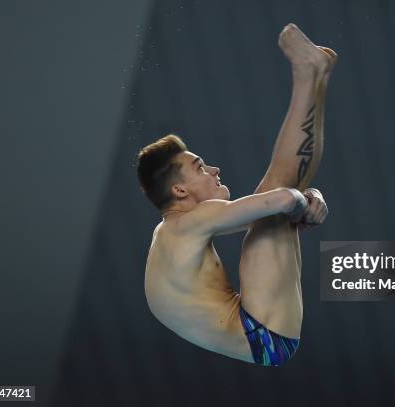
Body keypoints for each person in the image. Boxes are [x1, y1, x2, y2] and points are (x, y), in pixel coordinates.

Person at [137, 23, 337, 366]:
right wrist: (302, 202)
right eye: (200, 167)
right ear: (179, 189)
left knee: (275, 205)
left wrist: (304, 200)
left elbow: (279, 204)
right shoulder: (185, 226)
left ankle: (315, 77)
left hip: (262, 337)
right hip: (264, 334)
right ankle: (309, 77)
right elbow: (282, 198)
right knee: (278, 187)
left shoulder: (174, 234)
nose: (214, 169)